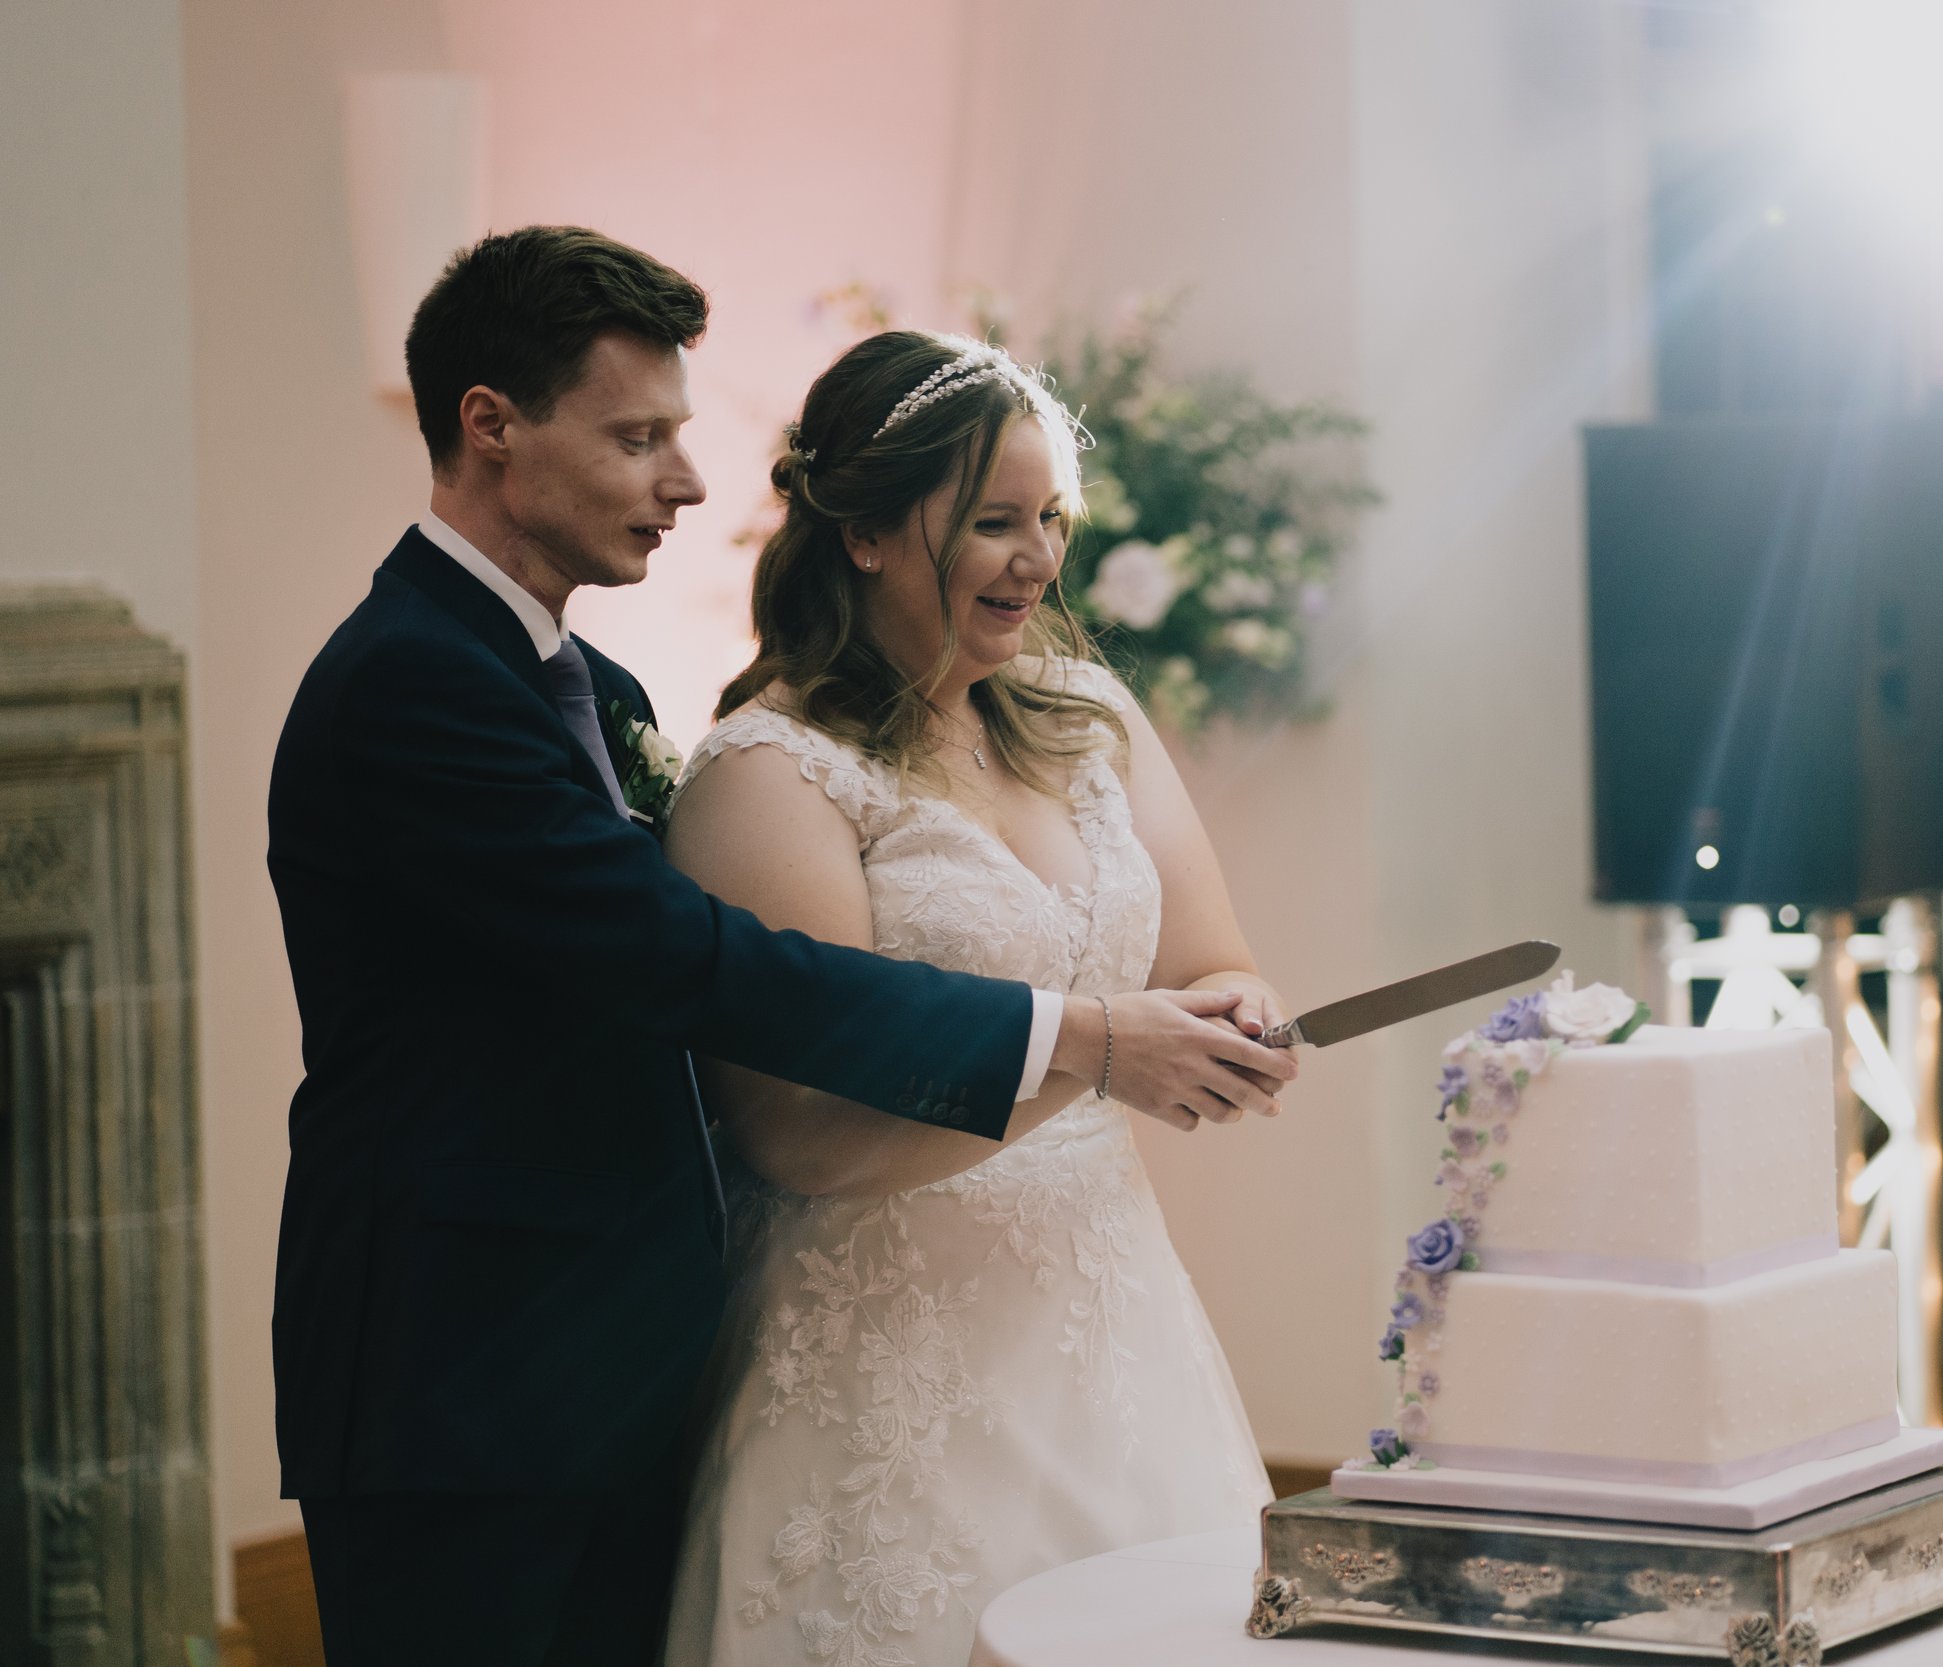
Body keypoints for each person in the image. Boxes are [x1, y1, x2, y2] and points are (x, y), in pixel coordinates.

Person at [266, 229, 1293, 1667]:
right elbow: (699, 967)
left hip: (613, 1366)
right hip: (464, 1381)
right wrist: (1082, 1037)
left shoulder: (590, 683)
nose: (688, 481)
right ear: (491, 425)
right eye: (638, 438)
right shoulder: (411, 686)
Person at [659, 330, 1285, 1666]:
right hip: (886, 1379)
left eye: (1051, 518)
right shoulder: (770, 774)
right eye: (995, 522)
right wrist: (1099, 1059)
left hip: (1118, 1342)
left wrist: (1233, 1022)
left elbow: (1210, 960)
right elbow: (798, 1136)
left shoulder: (1089, 717)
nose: (1039, 559)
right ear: (867, 533)